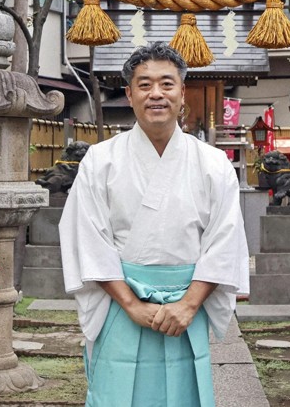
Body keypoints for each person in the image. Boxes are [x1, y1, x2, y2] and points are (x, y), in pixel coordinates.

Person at [59, 42, 249, 407]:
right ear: (129, 94)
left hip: (186, 307)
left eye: (166, 83)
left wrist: (190, 305)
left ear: (182, 93)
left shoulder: (213, 164)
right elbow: (88, 238)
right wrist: (131, 304)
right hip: (120, 305)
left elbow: (224, 241)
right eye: (144, 85)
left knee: (183, 395)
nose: (156, 94)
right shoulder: (101, 160)